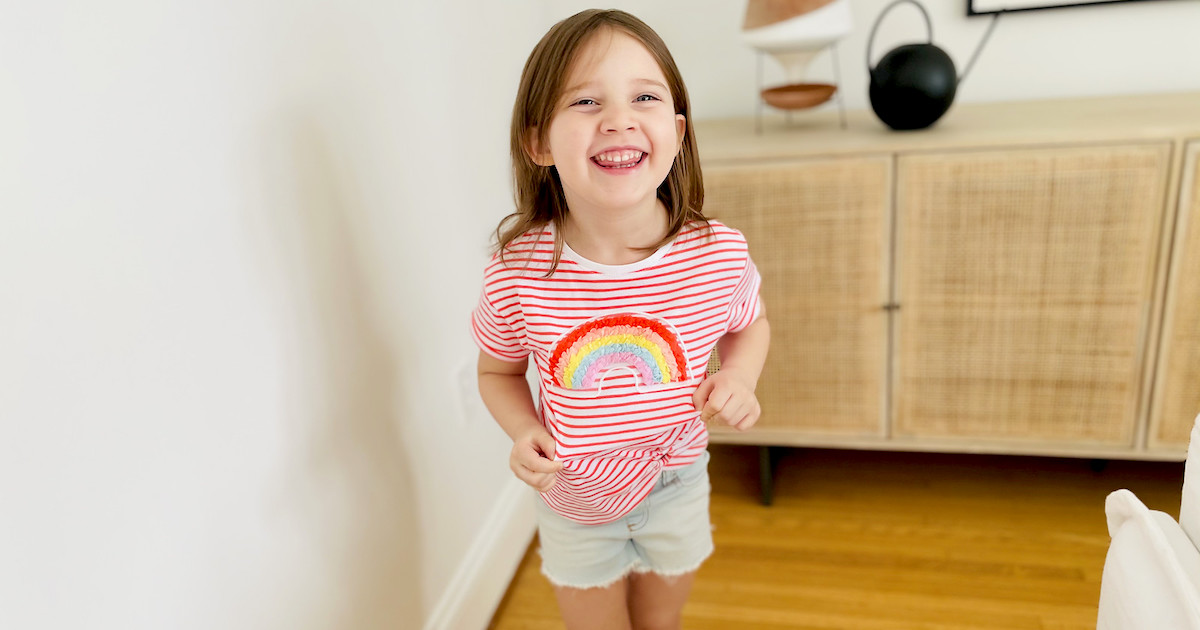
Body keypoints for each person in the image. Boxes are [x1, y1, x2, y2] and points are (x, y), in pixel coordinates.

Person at [472, 9, 770, 630]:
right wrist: (523, 431)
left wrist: (739, 375)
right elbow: (497, 372)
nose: (618, 119)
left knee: (661, 623)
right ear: (538, 143)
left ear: (678, 130)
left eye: (644, 96)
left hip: (678, 482)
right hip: (574, 500)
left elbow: (750, 323)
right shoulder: (518, 271)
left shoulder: (717, 253)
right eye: (585, 100)